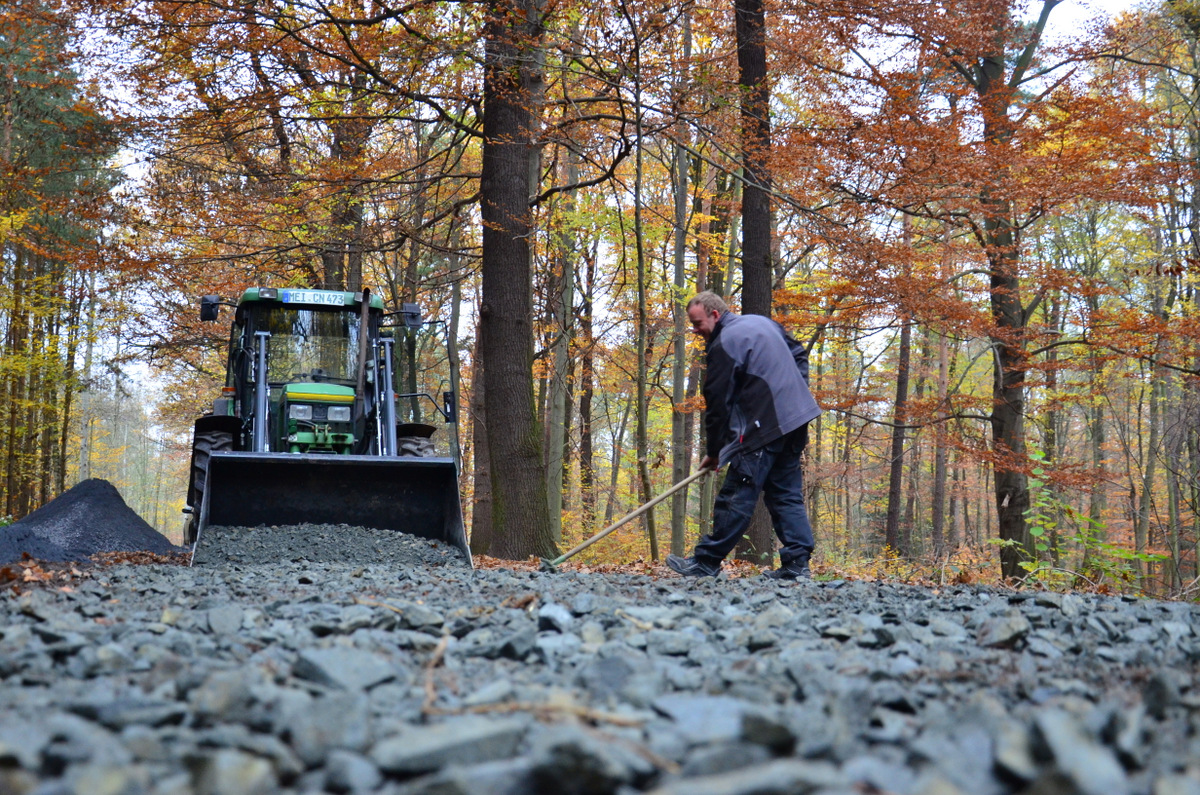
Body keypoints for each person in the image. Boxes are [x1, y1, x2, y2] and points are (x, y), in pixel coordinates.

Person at [667, 291, 822, 580]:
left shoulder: (724, 343)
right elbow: (799, 353)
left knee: (738, 491)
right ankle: (797, 565)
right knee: (785, 492)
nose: (696, 330)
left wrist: (714, 452)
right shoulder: (762, 323)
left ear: (715, 314)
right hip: (797, 419)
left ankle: (706, 562)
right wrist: (796, 394)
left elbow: (716, 402)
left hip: (766, 426)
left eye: (698, 323)